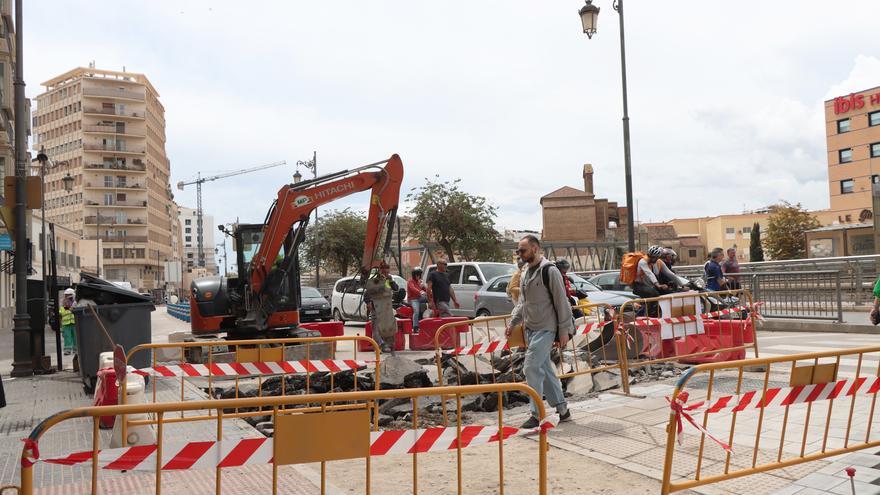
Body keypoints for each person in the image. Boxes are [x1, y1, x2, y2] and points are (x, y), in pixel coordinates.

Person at [506, 235, 573, 428]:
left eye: (523, 250)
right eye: (518, 251)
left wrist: (564, 330)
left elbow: (562, 302)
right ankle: (563, 410)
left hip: (547, 328)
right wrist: (513, 323)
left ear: (535, 249)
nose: (519, 254)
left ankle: (536, 413)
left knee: (530, 367)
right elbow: (523, 303)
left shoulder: (550, 271)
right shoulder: (526, 272)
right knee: (544, 369)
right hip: (531, 329)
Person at [363, 262, 399, 354]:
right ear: (380, 271)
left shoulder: (389, 280)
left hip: (386, 308)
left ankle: (387, 344)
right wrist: (368, 302)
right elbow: (367, 294)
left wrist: (391, 281)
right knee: (376, 328)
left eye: (387, 272)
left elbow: (396, 288)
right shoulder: (375, 281)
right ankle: (380, 345)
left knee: (387, 327)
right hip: (377, 307)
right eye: (384, 272)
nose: (385, 274)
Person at [406, 268, 427, 334]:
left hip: (420, 298)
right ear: (414, 275)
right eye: (418, 275)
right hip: (413, 299)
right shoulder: (410, 281)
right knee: (416, 311)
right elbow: (413, 288)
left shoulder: (419, 281)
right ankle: (415, 327)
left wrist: (424, 287)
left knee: (431, 299)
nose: (419, 277)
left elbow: (425, 290)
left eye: (420, 275)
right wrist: (420, 292)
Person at [60, 288, 76, 355]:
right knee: (67, 337)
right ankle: (67, 350)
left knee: (75, 337)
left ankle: (76, 349)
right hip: (66, 324)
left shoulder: (75, 303)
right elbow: (60, 314)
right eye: (66, 295)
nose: (67, 296)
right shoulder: (63, 304)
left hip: (74, 323)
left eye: (69, 295)